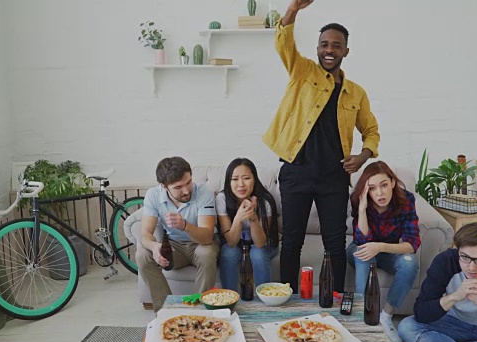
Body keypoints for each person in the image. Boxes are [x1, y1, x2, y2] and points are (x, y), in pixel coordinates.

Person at [263, 0, 380, 295]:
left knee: (334, 244)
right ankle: (288, 300)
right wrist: (292, 10)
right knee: (291, 241)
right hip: (296, 172)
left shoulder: (356, 93)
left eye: (336, 45)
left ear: (345, 51)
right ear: (317, 49)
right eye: (324, 44)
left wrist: (363, 156)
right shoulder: (301, 72)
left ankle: (335, 299)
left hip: (333, 178)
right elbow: (284, 43)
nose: (330, 50)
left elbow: (371, 130)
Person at [346, 161, 420, 342]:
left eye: (384, 185)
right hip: (359, 249)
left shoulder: (406, 200)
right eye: (372, 188)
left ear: (393, 183)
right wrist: (362, 209)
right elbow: (362, 241)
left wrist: (379, 246)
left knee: (410, 262)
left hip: (387, 251)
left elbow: (412, 243)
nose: (379, 193)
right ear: (366, 190)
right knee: (365, 253)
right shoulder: (359, 200)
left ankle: (386, 317)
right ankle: (365, 316)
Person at [135, 156, 220, 312]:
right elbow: (145, 234)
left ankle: (202, 312)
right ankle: (167, 311)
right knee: (142, 256)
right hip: (175, 246)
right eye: (178, 187)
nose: (187, 190)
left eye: (188, 182)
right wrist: (155, 247)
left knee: (206, 253)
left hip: (200, 244)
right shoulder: (154, 195)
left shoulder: (203, 192)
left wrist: (185, 225)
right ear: (164, 186)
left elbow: (207, 237)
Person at [216, 158, 280, 291]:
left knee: (258, 254)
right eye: (234, 179)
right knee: (228, 252)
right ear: (229, 182)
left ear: (254, 179)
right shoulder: (222, 199)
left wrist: (253, 218)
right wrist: (238, 218)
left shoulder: (264, 201)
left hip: (263, 243)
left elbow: (260, 243)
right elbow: (232, 241)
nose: (241, 184)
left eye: (246, 178)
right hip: (236, 243)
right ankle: (229, 299)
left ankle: (265, 301)